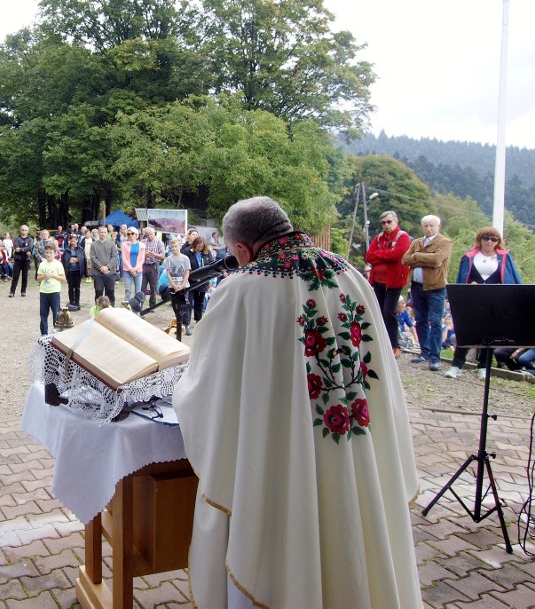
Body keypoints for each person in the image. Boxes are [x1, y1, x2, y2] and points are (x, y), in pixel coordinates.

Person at [173, 196, 421, 609]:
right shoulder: (351, 274)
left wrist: (180, 386)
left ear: (240, 250)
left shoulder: (242, 289)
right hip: (354, 448)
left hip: (281, 457)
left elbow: (207, 388)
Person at [445, 226, 523, 380]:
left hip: (495, 300)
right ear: (480, 239)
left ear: (498, 242)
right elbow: (462, 280)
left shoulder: (505, 257)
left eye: (493, 239)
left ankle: (483, 367)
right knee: (466, 331)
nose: (489, 242)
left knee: (491, 334)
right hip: (473, 299)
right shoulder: (469, 257)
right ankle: (456, 365)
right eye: (486, 238)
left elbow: (512, 280)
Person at [402, 214, 453, 372]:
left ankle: (435, 356)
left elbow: (437, 260)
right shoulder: (417, 242)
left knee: (436, 321)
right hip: (417, 286)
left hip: (435, 287)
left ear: (438, 227)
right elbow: (405, 259)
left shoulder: (445, 242)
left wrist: (416, 256)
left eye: (432, 226)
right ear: (422, 227)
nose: (429, 228)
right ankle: (424, 351)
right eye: (426, 226)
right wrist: (423, 258)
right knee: (421, 319)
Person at [365, 211, 411, 358]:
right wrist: (386, 255)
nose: (386, 225)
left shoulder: (402, 237)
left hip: (393, 282)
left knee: (389, 313)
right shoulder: (379, 238)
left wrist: (379, 255)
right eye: (383, 223)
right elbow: (369, 256)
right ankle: (382, 344)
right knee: (378, 312)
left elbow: (397, 255)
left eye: (389, 222)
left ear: (396, 221)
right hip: (378, 281)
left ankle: (395, 345)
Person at [160, 237, 192, 334]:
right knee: (176, 305)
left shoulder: (185, 258)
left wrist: (182, 285)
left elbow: (187, 272)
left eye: (176, 246)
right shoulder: (169, 259)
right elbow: (168, 273)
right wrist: (173, 285)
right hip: (173, 285)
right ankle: (178, 323)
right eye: (172, 247)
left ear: (180, 246)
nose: (174, 248)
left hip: (184, 285)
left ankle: (186, 325)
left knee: (185, 305)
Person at [184, 236, 214, 327]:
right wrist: (193, 277)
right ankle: (186, 322)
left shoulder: (207, 253)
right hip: (191, 281)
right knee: (188, 301)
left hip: (203, 282)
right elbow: (185, 266)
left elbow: (211, 265)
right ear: (195, 245)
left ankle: (198, 321)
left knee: (200, 302)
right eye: (198, 246)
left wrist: (206, 278)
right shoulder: (188, 252)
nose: (199, 248)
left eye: (201, 246)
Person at [37, 242, 66, 335]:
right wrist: (43, 276)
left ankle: (56, 332)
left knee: (56, 313)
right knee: (43, 314)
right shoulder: (42, 264)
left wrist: (53, 275)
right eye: (47, 252)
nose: (48, 254)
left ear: (55, 253)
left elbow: (63, 279)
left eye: (50, 252)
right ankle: (44, 333)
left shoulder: (58, 264)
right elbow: (38, 279)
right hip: (44, 292)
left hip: (54, 292)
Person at [90, 226, 119, 306]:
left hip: (110, 273)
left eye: (104, 232)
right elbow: (93, 258)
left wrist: (107, 267)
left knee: (110, 292)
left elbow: (114, 257)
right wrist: (102, 267)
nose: (103, 234)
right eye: (101, 232)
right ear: (98, 233)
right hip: (98, 273)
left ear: (107, 233)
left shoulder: (111, 244)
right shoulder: (94, 245)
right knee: (98, 292)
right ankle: (98, 310)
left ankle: (110, 310)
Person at [119, 226, 145, 303]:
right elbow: (124, 259)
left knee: (138, 291)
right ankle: (127, 309)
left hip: (138, 271)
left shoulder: (142, 245)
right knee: (128, 291)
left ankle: (137, 311)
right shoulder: (124, 245)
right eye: (128, 234)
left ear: (136, 235)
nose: (130, 235)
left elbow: (142, 259)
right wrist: (131, 269)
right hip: (127, 271)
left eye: (132, 233)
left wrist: (135, 269)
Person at [62, 233, 85, 310]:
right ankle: (72, 302)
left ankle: (77, 303)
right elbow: (64, 259)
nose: (73, 242)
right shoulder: (67, 250)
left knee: (77, 287)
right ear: (70, 241)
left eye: (74, 241)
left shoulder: (80, 249)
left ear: (77, 241)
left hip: (78, 271)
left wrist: (74, 259)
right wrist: (70, 260)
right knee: (70, 287)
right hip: (70, 271)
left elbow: (82, 259)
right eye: (71, 241)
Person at [10, 225, 35, 297]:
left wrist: (21, 249)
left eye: (25, 230)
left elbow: (30, 247)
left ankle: (23, 291)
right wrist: (25, 250)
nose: (24, 231)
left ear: (28, 231)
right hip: (18, 259)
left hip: (26, 260)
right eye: (23, 230)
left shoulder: (30, 239)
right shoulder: (16, 239)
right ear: (20, 230)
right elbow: (16, 247)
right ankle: (12, 292)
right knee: (15, 276)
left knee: (25, 276)